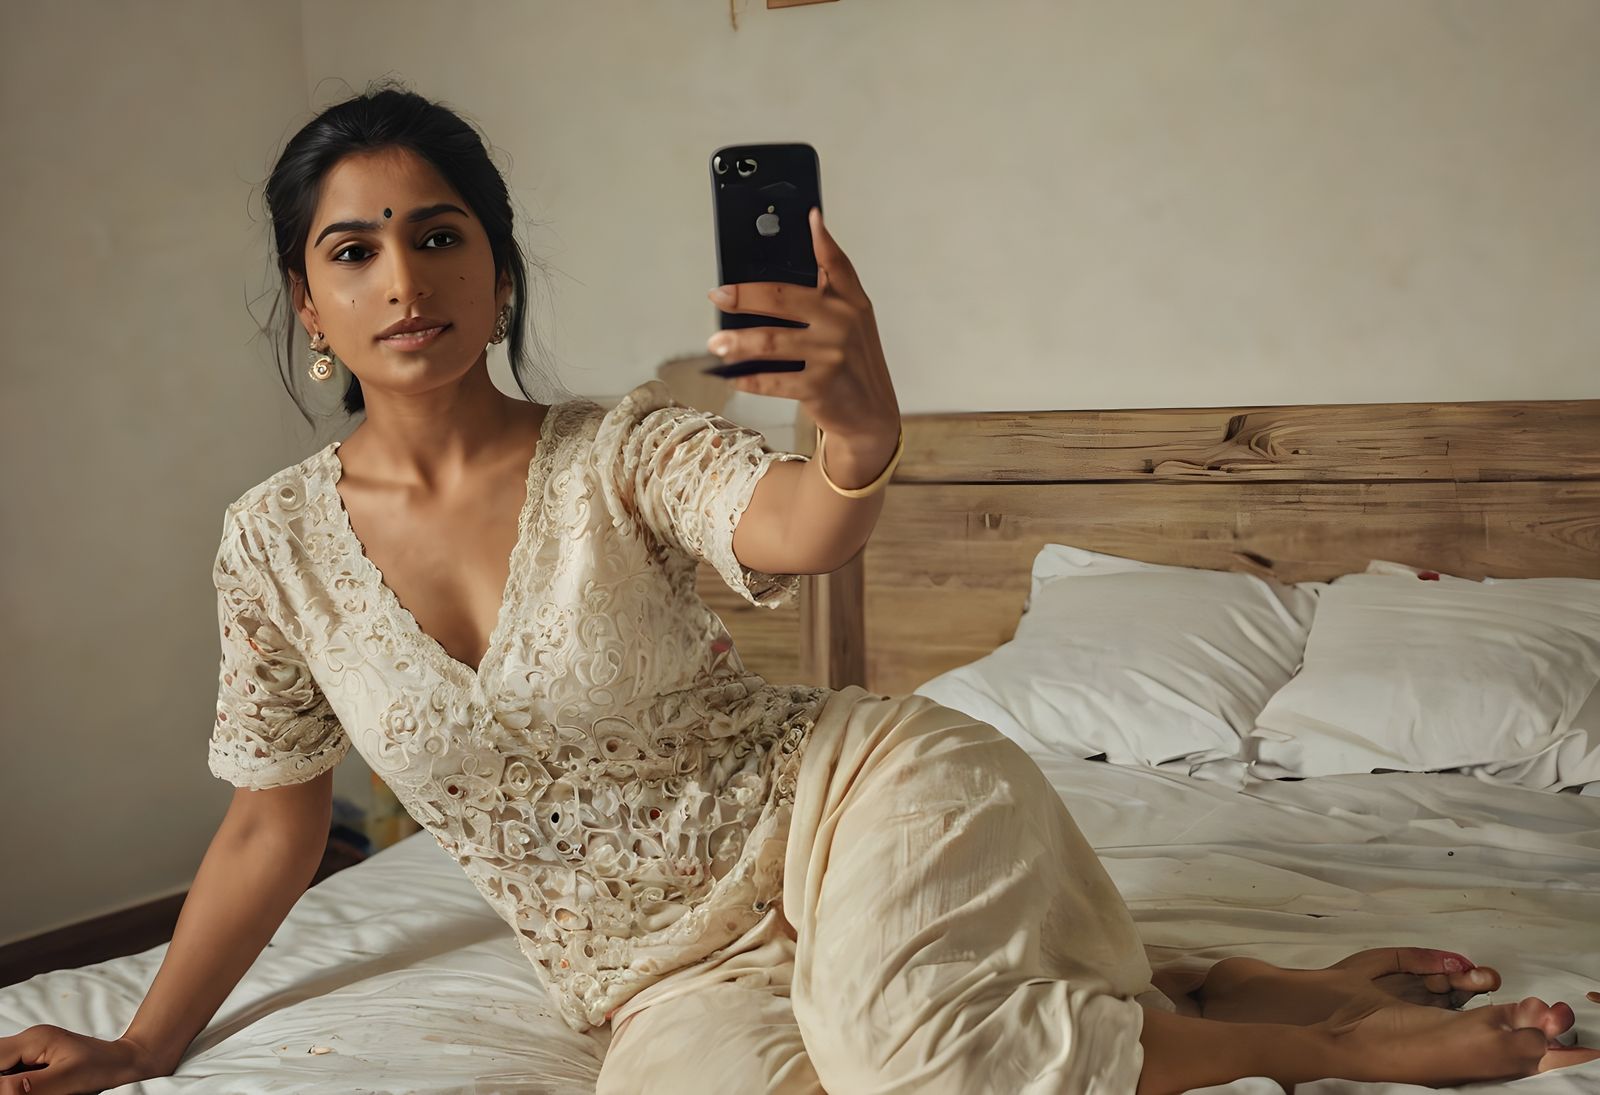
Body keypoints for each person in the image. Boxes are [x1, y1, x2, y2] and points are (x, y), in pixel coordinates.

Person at [2, 80, 1594, 1095]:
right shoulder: (269, 544)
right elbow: (275, 818)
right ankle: (1201, 977)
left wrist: (857, 425)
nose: (403, 278)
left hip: (847, 803)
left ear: (497, 269)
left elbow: (795, 529)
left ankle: (1315, 1044)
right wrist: (149, 1041)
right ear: (307, 300)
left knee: (920, 1057)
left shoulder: (625, 447)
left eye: (439, 234)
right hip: (653, 967)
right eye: (354, 251)